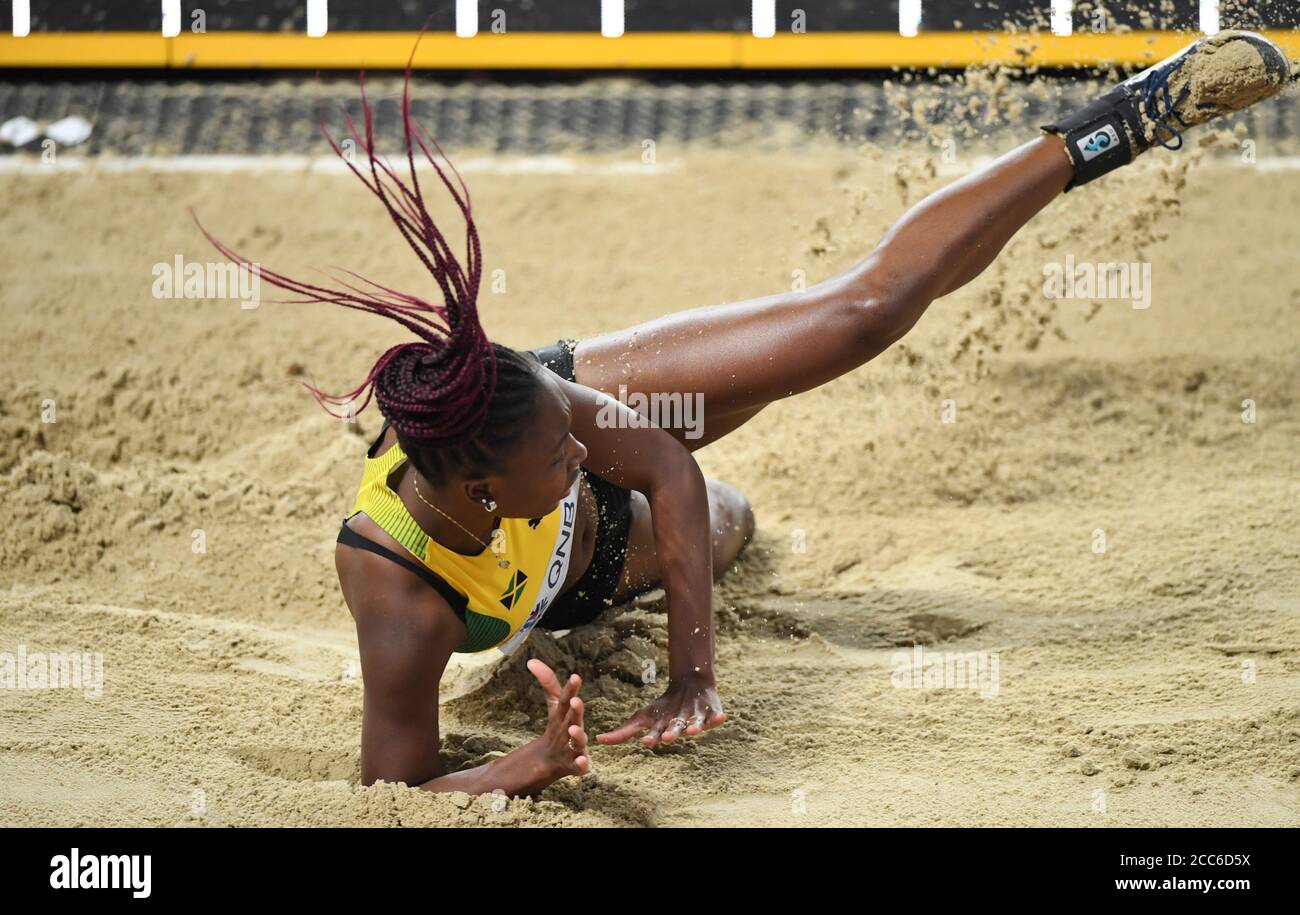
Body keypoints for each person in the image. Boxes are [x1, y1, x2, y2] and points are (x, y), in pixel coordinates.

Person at [194, 30, 1293, 798]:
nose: (581, 444)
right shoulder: (403, 604)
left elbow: (655, 458)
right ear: (480, 493)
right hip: (588, 574)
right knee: (734, 523)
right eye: (559, 449)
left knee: (855, 316)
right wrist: (519, 769)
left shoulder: (538, 409)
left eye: (570, 429)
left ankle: (1117, 120)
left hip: (595, 459)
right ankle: (655, 530)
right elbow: (397, 783)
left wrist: (693, 676)